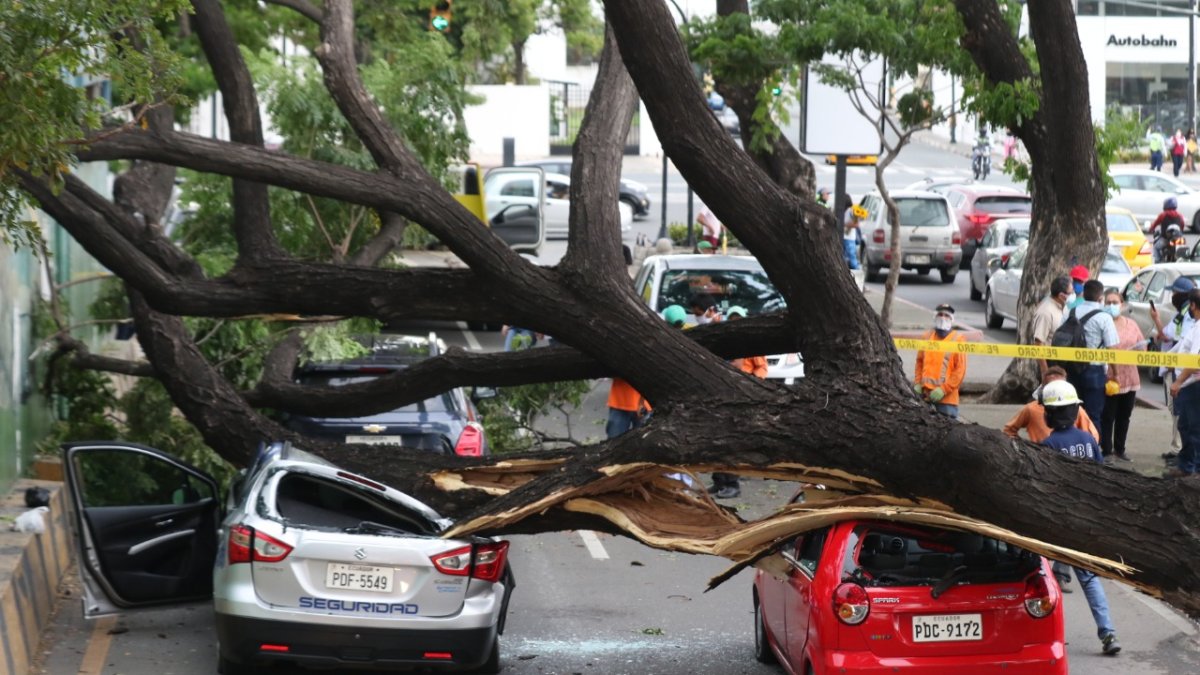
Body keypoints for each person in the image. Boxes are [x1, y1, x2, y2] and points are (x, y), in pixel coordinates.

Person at [1037, 379, 1122, 657]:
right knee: (1089, 580)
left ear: (1048, 414)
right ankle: (1108, 633)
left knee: (1039, 577)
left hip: (1055, 525)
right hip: (1083, 524)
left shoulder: (1048, 445)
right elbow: (1101, 477)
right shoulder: (1088, 440)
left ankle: (1041, 636)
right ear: (1075, 412)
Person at [707, 305, 767, 499]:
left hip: (742, 394)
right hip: (722, 392)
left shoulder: (750, 343)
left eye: (737, 319)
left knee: (733, 441)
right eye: (731, 319)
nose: (735, 323)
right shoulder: (724, 340)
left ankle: (732, 483)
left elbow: (762, 368)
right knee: (716, 439)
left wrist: (751, 385)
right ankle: (719, 480)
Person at [1062, 279, 1120, 432]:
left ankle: (1072, 449)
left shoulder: (1070, 312)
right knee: (1094, 415)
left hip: (1072, 369)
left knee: (1073, 413)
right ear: (1101, 297)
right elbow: (1111, 348)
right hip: (1094, 371)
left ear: (1084, 294)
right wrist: (1115, 373)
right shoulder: (1104, 317)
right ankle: (1092, 451)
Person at [1151, 276, 1196, 458]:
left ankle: (1181, 452)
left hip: (1181, 373)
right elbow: (1167, 335)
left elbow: (1179, 341)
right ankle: (1179, 449)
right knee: (1177, 412)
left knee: (1181, 413)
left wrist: (1175, 373)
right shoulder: (1182, 315)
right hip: (1177, 370)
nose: (1173, 295)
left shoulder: (1188, 317)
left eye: (1175, 292)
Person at [1100, 289, 1145, 463]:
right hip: (1109, 378)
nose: (1112, 306)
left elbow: (1141, 346)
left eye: (1115, 302)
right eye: (1108, 302)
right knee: (1108, 416)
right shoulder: (1102, 323)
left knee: (1124, 416)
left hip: (1130, 378)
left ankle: (1120, 449)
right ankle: (1106, 450)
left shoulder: (1131, 324)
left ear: (1122, 304)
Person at [1002, 366, 1100, 443]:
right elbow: (1009, 431)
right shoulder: (1031, 409)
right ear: (1044, 387)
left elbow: (1093, 436)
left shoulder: (1076, 409)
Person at [1166, 288, 1200, 478]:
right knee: (1185, 427)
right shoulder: (1195, 326)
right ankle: (1186, 467)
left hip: (1192, 385)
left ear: (1193, 306)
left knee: (1194, 429)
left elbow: (1195, 359)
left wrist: (1178, 382)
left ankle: (1194, 471)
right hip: (1189, 385)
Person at [913, 304, 967, 419]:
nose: (943, 318)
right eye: (940, 314)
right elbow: (919, 362)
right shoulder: (927, 337)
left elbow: (960, 371)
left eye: (947, 315)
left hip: (947, 401)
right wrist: (918, 383)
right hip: (925, 397)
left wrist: (943, 389)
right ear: (935, 317)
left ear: (952, 319)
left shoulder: (958, 340)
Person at [1029, 276, 1072, 378]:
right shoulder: (1046, 312)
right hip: (1050, 363)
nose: (1073, 295)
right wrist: (1045, 371)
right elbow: (1038, 344)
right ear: (1062, 295)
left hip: (1063, 362)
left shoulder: (1063, 306)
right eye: (1071, 293)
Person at [1150, 197, 1186, 263]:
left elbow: (1155, 224)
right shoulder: (1180, 215)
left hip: (1165, 239)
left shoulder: (1163, 215)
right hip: (1179, 239)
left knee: (1155, 247)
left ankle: (1158, 262)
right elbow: (1183, 225)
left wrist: (1151, 229)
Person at [843, 205, 866, 270]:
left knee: (850, 253)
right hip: (847, 237)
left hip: (849, 237)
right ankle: (854, 266)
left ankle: (855, 267)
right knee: (850, 253)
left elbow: (856, 224)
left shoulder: (850, 211)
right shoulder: (849, 211)